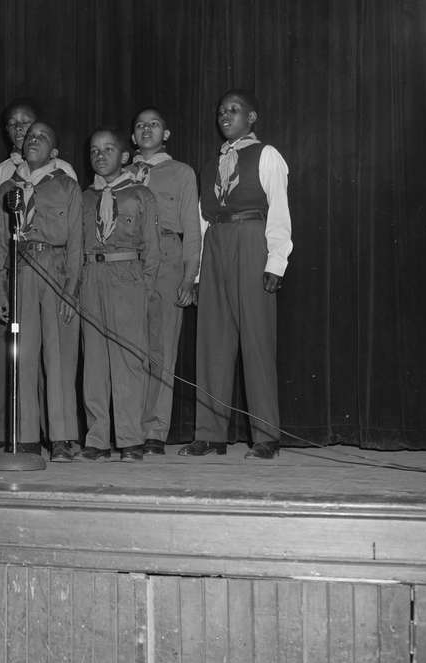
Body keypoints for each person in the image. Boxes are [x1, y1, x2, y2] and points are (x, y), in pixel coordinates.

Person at [178, 89, 292, 460]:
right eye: (221, 112)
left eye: (234, 110)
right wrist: (195, 274)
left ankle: (266, 436)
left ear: (252, 117)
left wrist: (276, 261)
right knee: (212, 342)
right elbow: (199, 218)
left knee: (257, 342)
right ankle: (211, 434)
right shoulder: (210, 165)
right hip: (215, 244)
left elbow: (279, 210)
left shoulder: (266, 155)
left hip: (250, 239)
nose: (225, 116)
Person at [0, 100, 78, 452]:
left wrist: (72, 287)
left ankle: (63, 435)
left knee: (58, 356)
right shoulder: (6, 189)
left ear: (54, 149)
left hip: (54, 271)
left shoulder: (65, 184)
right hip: (20, 272)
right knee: (22, 355)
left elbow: (76, 243)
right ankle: (26, 437)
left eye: (41, 135)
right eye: (28, 135)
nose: (32, 138)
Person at [78, 128, 161, 462]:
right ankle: (96, 438)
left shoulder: (141, 195)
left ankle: (130, 439)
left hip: (127, 276)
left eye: (109, 149)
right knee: (95, 361)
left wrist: (143, 291)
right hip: (91, 276)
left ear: (125, 156)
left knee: (128, 360)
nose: (101, 155)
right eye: (95, 150)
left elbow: (153, 252)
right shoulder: (83, 198)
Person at [128, 108, 201, 456]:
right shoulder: (121, 173)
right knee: (128, 346)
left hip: (168, 257)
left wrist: (190, 276)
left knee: (162, 349)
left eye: (154, 124)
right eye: (140, 125)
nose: (146, 129)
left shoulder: (181, 173)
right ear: (132, 136)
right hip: (127, 263)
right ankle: (128, 426)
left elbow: (192, 229)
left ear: (166, 134)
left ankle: (155, 429)